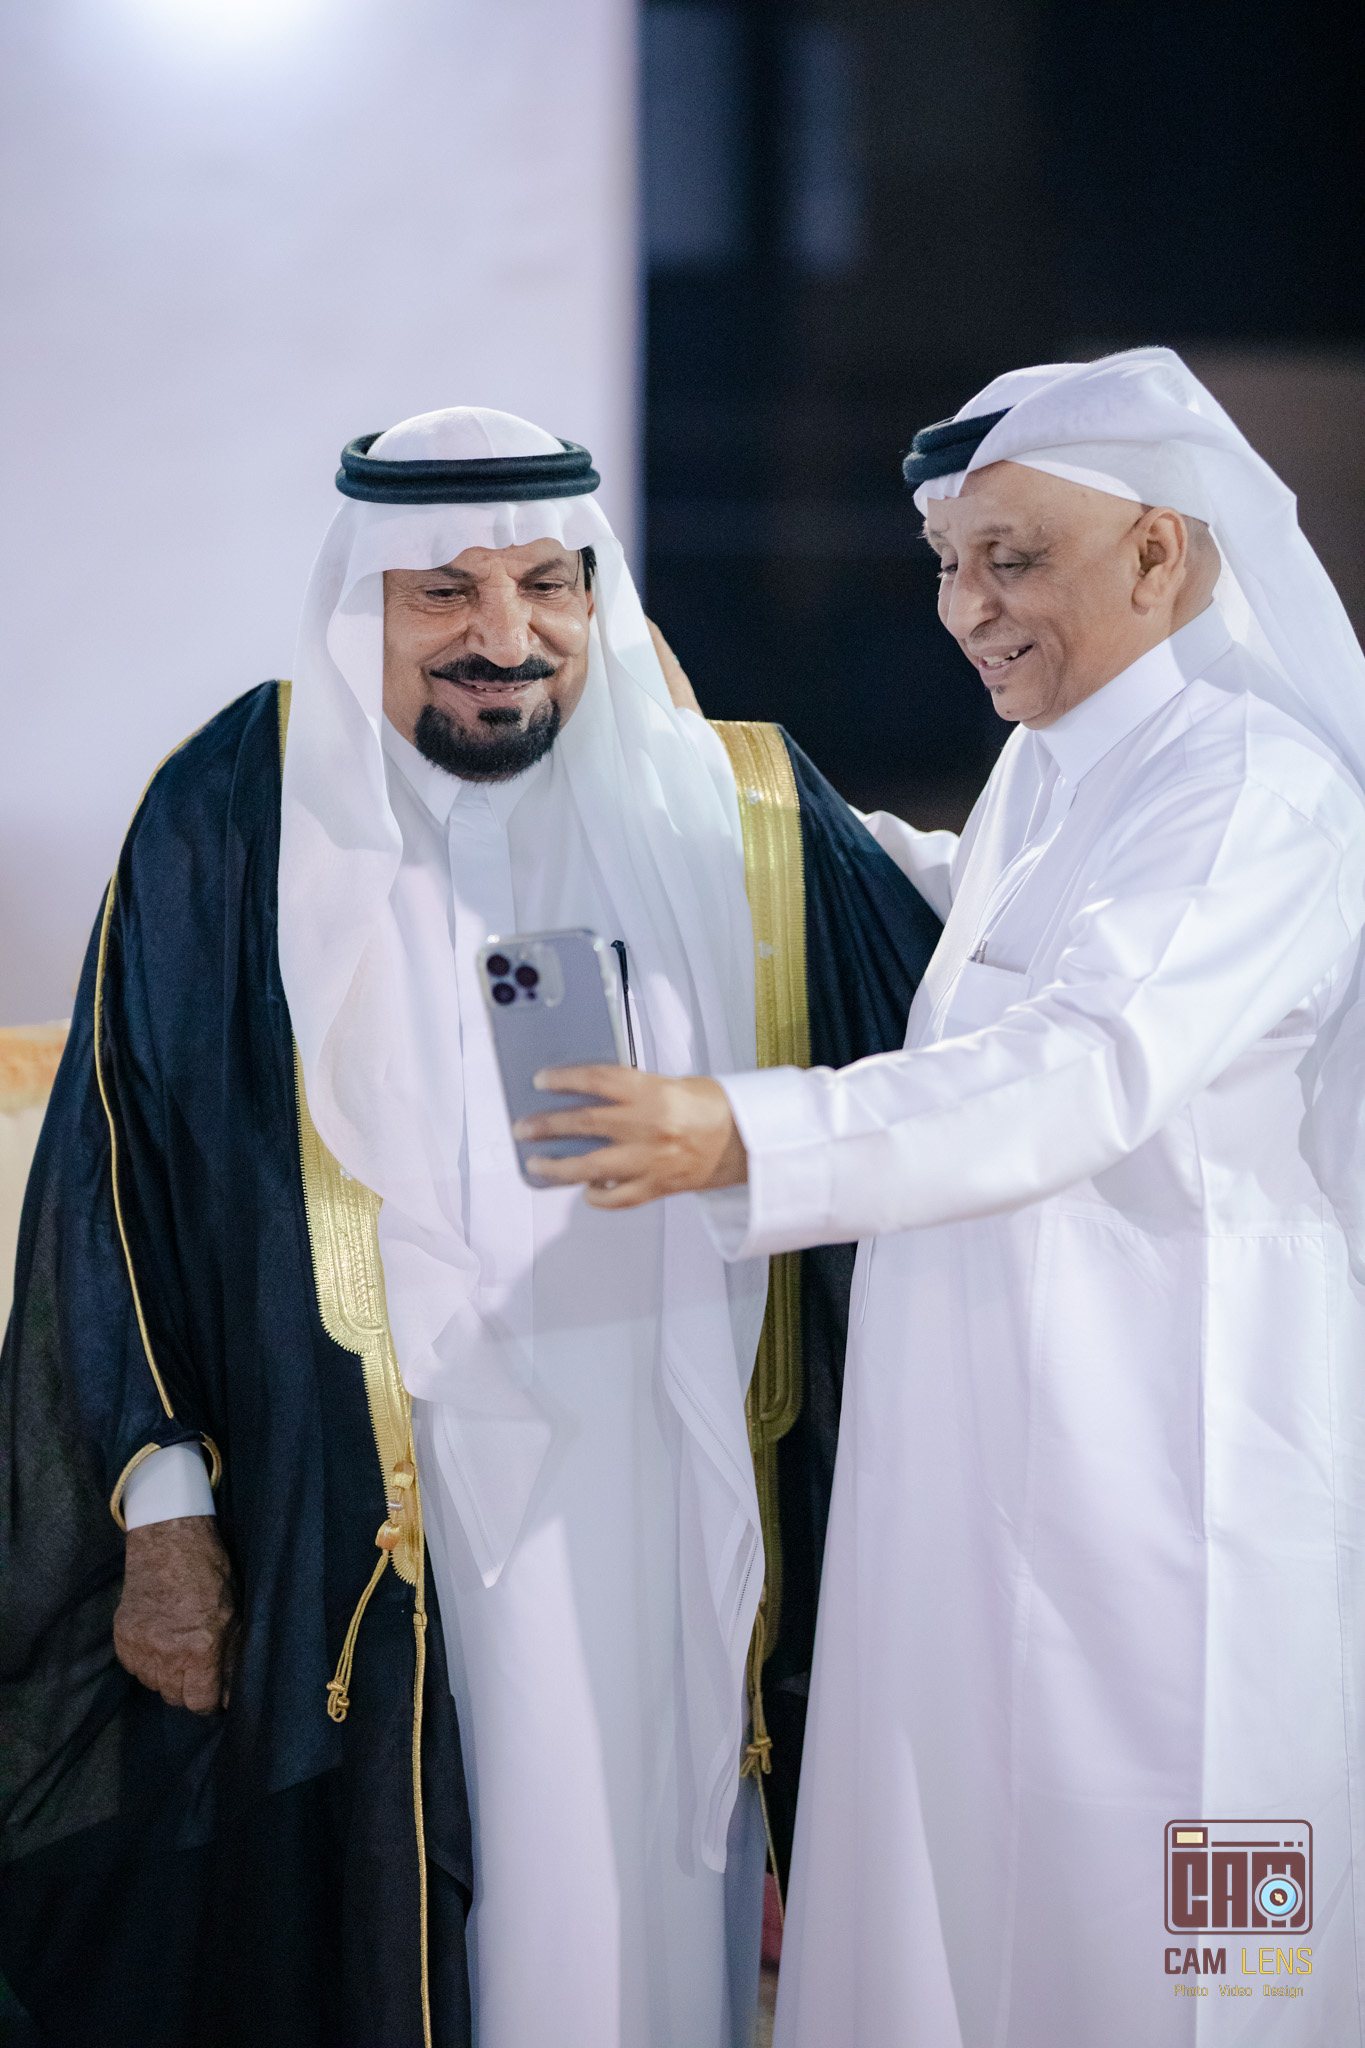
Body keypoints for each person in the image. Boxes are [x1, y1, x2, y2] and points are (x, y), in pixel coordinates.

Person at [0, 407, 942, 2048]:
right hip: (357, 1509)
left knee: (647, 1926)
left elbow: (969, 1041)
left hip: (675, 1494)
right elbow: (117, 1174)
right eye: (442, 590)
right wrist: (161, 1513)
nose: (502, 636)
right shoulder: (233, 807)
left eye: (546, 585)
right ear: (358, 603)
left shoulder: (745, 813)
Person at [514, 349, 1365, 2045]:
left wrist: (743, 1134)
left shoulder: (1249, 786)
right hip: (985, 1460)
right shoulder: (1060, 768)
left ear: (1157, 550)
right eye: (947, 566)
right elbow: (935, 922)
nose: (966, 610)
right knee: (969, 1903)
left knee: (1198, 1929)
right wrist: (710, 780)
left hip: (1171, 1471)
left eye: (1012, 560)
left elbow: (1082, 1062)